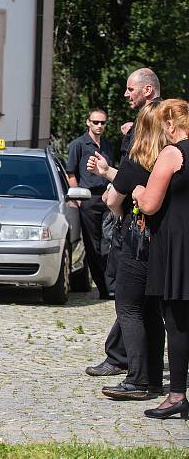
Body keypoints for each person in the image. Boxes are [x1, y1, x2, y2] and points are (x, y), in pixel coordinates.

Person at [87, 102, 166, 400]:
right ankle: (155, 380)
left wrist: (123, 212)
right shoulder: (169, 160)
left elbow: (111, 201)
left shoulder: (136, 162)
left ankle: (137, 379)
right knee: (152, 313)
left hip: (137, 241)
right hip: (162, 243)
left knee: (129, 309)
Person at [132, 99, 189, 419]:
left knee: (178, 323)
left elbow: (150, 204)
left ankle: (177, 395)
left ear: (170, 125)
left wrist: (139, 190)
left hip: (178, 246)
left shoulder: (173, 153)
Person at [67, 108, 114, 297]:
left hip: (107, 197)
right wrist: (78, 198)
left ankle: (111, 286)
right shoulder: (78, 145)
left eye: (103, 123)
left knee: (109, 243)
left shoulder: (108, 145)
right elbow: (71, 173)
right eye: (96, 122)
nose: (99, 126)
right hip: (87, 198)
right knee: (93, 245)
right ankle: (105, 288)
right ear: (88, 122)